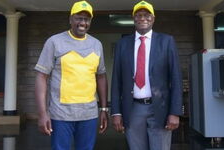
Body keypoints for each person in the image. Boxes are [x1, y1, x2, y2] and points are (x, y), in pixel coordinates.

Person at [34, 1, 108, 150]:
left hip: (89, 115)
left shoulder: (96, 44)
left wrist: (104, 109)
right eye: (78, 18)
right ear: (70, 19)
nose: (82, 22)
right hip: (61, 115)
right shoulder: (55, 42)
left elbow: (101, 76)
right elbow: (42, 76)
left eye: (86, 19)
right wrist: (42, 113)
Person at [111, 1, 183, 150]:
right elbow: (116, 80)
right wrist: (116, 111)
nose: (143, 18)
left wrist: (175, 112)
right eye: (139, 15)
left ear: (153, 18)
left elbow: (176, 78)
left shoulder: (166, 41)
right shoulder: (122, 44)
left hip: (160, 109)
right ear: (134, 19)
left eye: (147, 15)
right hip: (133, 109)